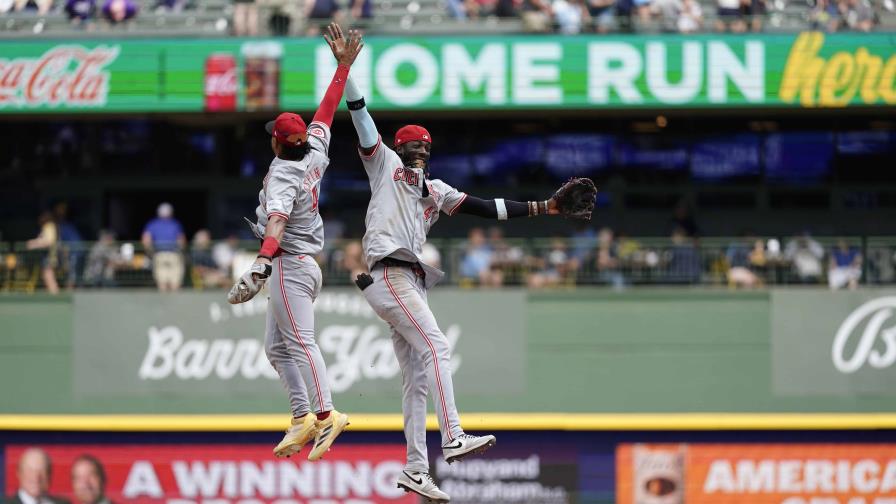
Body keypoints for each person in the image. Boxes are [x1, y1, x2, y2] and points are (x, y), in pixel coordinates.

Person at [326, 23, 595, 503]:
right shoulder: (384, 164)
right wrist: (347, 68)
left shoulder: (435, 189)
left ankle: (414, 468)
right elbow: (360, 114)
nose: (420, 152)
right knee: (438, 347)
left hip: (407, 281)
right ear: (400, 147)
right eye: (414, 146)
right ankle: (452, 437)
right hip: (390, 273)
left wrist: (546, 209)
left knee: (416, 378)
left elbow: (489, 207)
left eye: (425, 147)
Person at [227, 24, 363, 461]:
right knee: (276, 347)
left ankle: (326, 416)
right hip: (302, 262)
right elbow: (325, 110)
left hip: (289, 262)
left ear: (276, 141)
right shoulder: (314, 149)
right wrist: (342, 68)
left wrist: (264, 263)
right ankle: (303, 416)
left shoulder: (285, 175)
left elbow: (278, 222)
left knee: (301, 342)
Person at [141, 202, 186, 292]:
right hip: (174, 254)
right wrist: (181, 251)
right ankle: (174, 303)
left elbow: (146, 240)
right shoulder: (175, 224)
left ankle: (165, 303)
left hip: (159, 254)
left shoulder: (152, 224)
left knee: (162, 283)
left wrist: (149, 252)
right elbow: (181, 240)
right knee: (175, 283)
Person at [25, 211, 60, 295]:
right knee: (46, 276)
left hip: (49, 256)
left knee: (49, 276)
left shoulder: (49, 226)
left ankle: (55, 296)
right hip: (46, 256)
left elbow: (48, 241)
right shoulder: (48, 227)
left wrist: (33, 244)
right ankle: (53, 295)